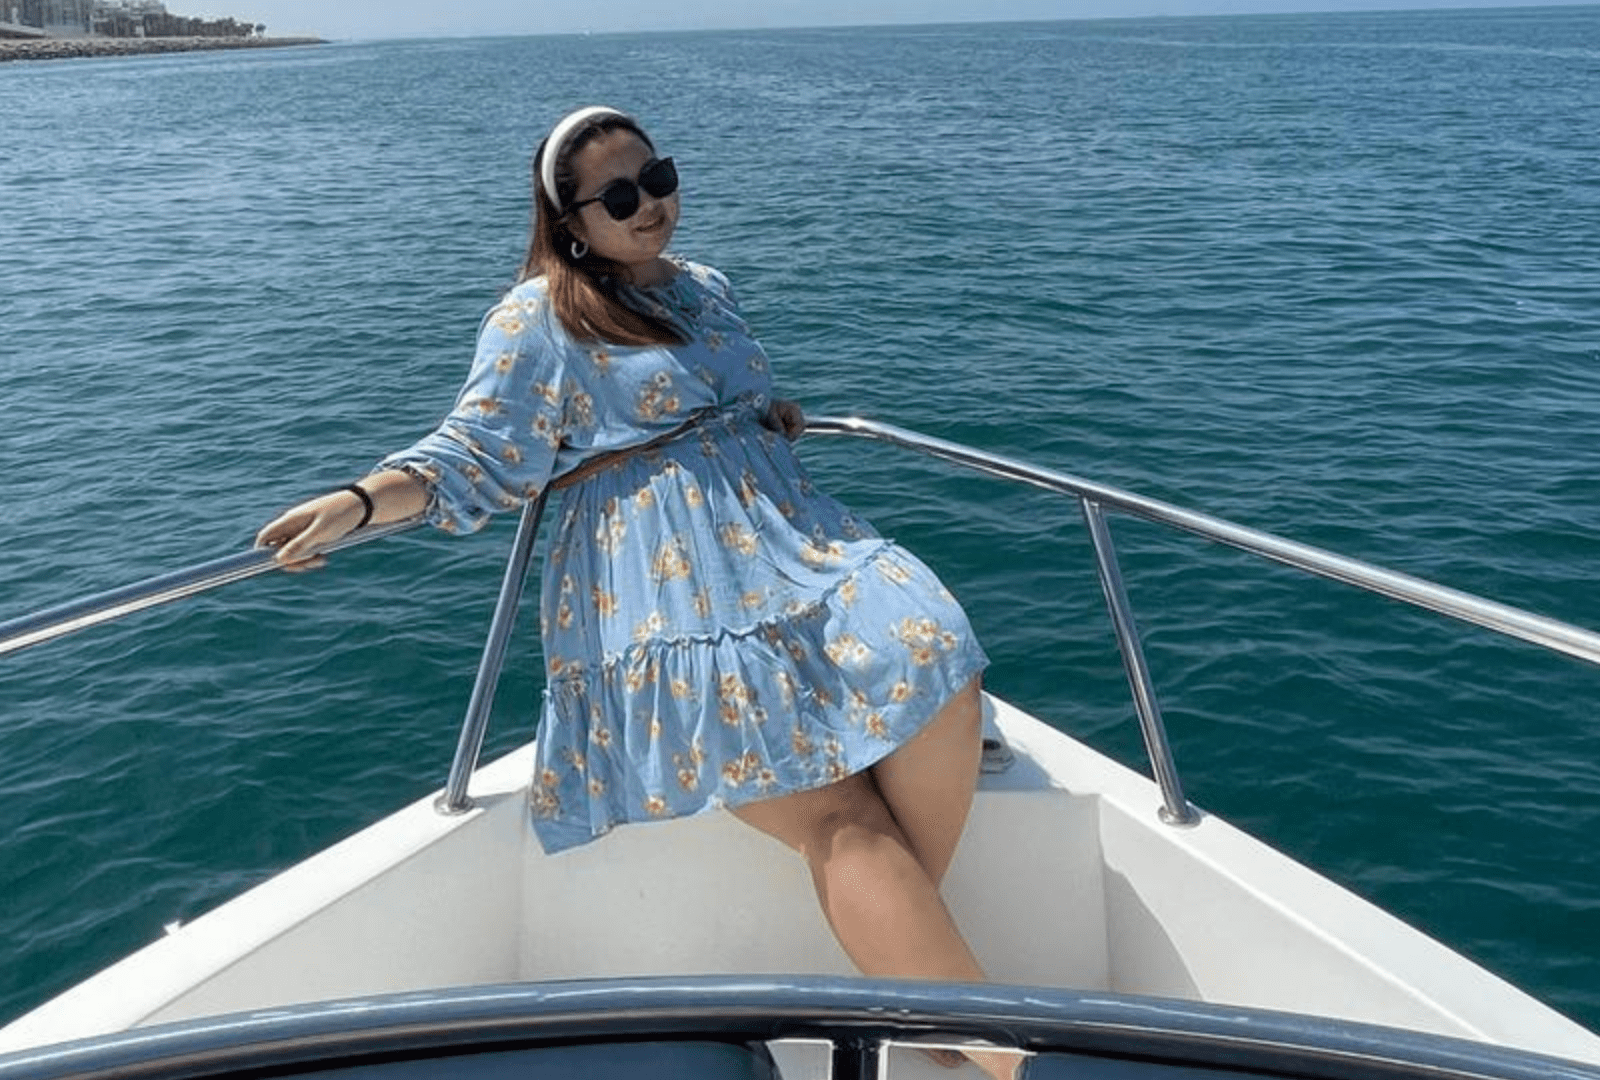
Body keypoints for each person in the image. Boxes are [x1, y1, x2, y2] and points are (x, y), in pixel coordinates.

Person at [257, 106, 1017, 1078]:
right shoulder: (539, 316)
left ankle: (920, 993)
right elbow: (475, 450)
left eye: (657, 178)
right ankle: (1002, 1056)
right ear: (570, 221)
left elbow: (728, 390)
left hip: (796, 545)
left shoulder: (706, 286)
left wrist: (765, 414)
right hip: (668, 590)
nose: (650, 204)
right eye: (618, 196)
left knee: (939, 654)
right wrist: (362, 500)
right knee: (843, 820)